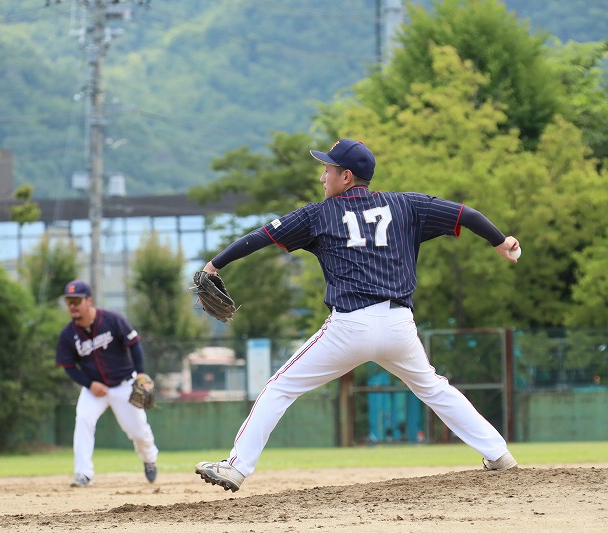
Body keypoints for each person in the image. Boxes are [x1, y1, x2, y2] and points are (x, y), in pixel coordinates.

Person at [195, 139, 520, 492]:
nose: (322, 177)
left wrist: (214, 265)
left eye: (328, 169)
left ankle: (237, 467)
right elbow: (466, 215)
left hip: (349, 326)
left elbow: (261, 236)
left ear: (346, 176)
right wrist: (499, 241)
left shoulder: (318, 215)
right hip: (399, 326)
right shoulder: (406, 204)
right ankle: (498, 453)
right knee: (434, 388)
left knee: (280, 387)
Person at [56, 280, 159, 487]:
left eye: (76, 300)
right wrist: (89, 384)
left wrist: (140, 374)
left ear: (89, 301)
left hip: (124, 384)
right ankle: (83, 473)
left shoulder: (112, 320)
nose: (72, 305)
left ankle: (149, 459)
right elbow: (68, 367)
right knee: (83, 419)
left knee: (138, 432)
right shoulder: (68, 335)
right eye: (69, 301)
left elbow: (134, 345)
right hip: (94, 389)